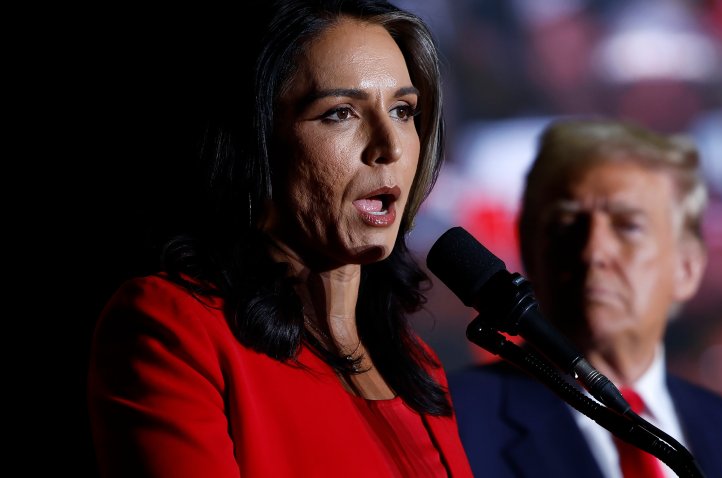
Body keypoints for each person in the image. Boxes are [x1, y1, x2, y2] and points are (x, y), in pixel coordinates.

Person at [86, 1, 474, 476]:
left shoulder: (419, 366)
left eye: (402, 110)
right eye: (340, 113)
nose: (390, 146)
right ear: (256, 140)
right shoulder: (175, 330)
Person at [447, 118, 722, 478]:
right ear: (528, 252)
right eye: (567, 223)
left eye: (628, 226)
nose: (595, 250)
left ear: (686, 268)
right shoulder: (448, 427)